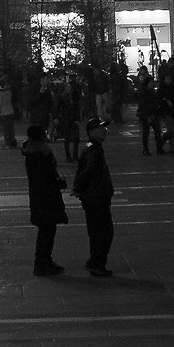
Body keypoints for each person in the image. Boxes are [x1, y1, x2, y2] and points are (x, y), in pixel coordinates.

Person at [22, 122, 68, 276]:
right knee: (46, 231)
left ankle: (45, 261)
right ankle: (42, 263)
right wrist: (59, 182)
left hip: (40, 196)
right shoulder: (40, 154)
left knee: (47, 230)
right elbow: (46, 177)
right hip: (46, 198)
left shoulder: (32, 151)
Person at [72, 115, 114, 276]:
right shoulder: (94, 150)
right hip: (96, 197)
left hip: (93, 196)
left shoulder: (92, 147)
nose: (103, 131)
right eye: (99, 128)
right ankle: (97, 263)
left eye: (104, 128)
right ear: (90, 132)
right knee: (104, 232)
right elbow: (88, 171)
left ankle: (94, 261)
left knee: (97, 231)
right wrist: (78, 187)